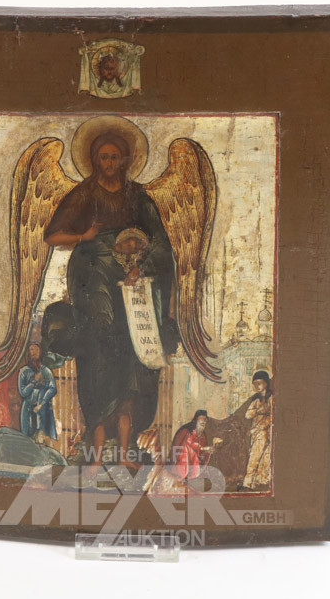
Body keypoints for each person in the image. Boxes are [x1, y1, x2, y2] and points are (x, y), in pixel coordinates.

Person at [43, 128, 176, 472]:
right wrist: (82, 236)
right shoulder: (84, 193)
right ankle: (97, 450)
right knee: (99, 356)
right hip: (93, 282)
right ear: (94, 160)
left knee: (132, 360)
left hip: (131, 286)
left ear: (125, 160)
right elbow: (52, 235)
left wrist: (141, 266)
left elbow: (161, 241)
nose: (110, 163)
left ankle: (127, 449)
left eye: (115, 157)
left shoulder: (137, 196)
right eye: (104, 157)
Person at [17, 343, 58, 443]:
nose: (33, 352)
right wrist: (33, 382)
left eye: (36, 349)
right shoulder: (24, 371)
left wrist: (42, 402)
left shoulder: (46, 371)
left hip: (42, 408)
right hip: (27, 409)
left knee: (41, 437)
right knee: (27, 438)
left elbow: (53, 388)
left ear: (40, 352)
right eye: (31, 350)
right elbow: (23, 393)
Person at [241, 371, 273, 490]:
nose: (257, 386)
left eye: (259, 383)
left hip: (265, 431)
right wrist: (257, 410)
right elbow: (247, 415)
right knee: (255, 454)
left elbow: (271, 418)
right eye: (255, 384)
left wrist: (256, 429)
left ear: (266, 383)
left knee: (256, 456)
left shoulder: (271, 399)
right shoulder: (256, 400)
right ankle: (254, 483)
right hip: (256, 432)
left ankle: (247, 482)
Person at [169, 410, 221, 480]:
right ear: (196, 420)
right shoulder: (187, 431)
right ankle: (183, 475)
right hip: (181, 457)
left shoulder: (202, 435)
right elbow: (188, 442)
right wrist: (203, 448)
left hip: (193, 461)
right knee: (187, 449)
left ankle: (193, 475)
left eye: (204, 420)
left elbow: (201, 451)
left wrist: (207, 451)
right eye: (201, 420)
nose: (203, 422)